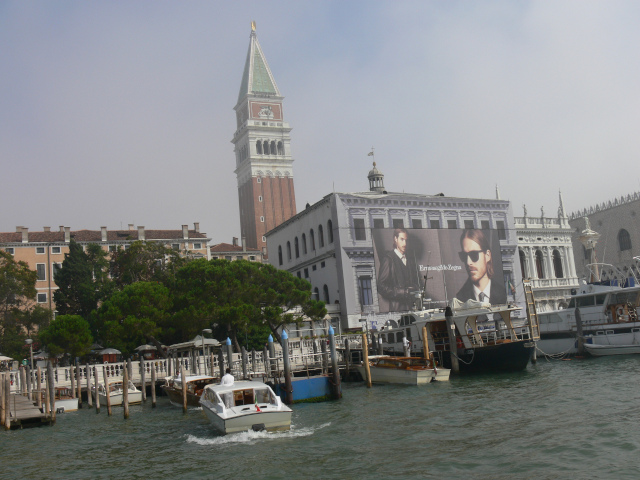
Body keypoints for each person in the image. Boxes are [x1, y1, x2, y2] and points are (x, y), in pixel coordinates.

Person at [456, 229, 506, 305]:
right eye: (464, 256)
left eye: (474, 255)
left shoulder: (503, 292)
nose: (468, 262)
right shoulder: (460, 299)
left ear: (487, 255)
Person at [377, 228, 420, 311]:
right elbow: (381, 287)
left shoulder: (410, 259)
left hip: (412, 307)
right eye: (402, 239)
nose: (405, 243)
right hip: (397, 308)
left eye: (406, 240)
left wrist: (415, 288)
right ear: (395, 239)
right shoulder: (388, 259)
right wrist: (402, 292)